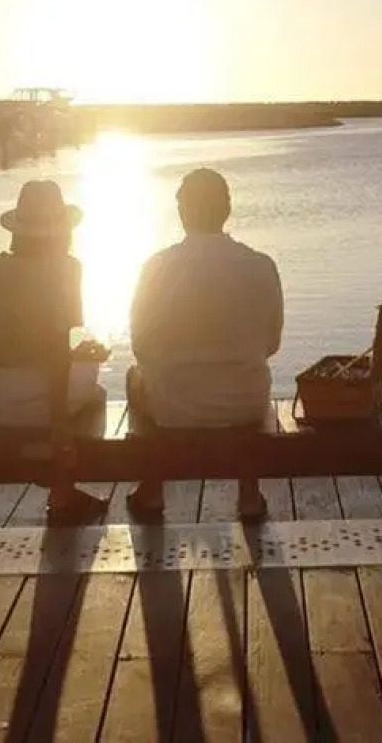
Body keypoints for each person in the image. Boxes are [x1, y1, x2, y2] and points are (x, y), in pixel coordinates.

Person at [126, 168, 283, 523]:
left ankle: (151, 491)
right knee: (247, 372)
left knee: (134, 377)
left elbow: (140, 346)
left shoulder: (157, 267)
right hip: (245, 404)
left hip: (174, 407)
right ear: (227, 210)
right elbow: (271, 344)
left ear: (182, 213)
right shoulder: (261, 265)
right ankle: (248, 496)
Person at [0, 179, 108, 522]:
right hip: (34, 392)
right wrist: (59, 424)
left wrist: (74, 357)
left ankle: (55, 481)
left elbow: (13, 334)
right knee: (96, 392)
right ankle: (62, 490)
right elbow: (54, 348)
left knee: (77, 370)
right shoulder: (65, 269)